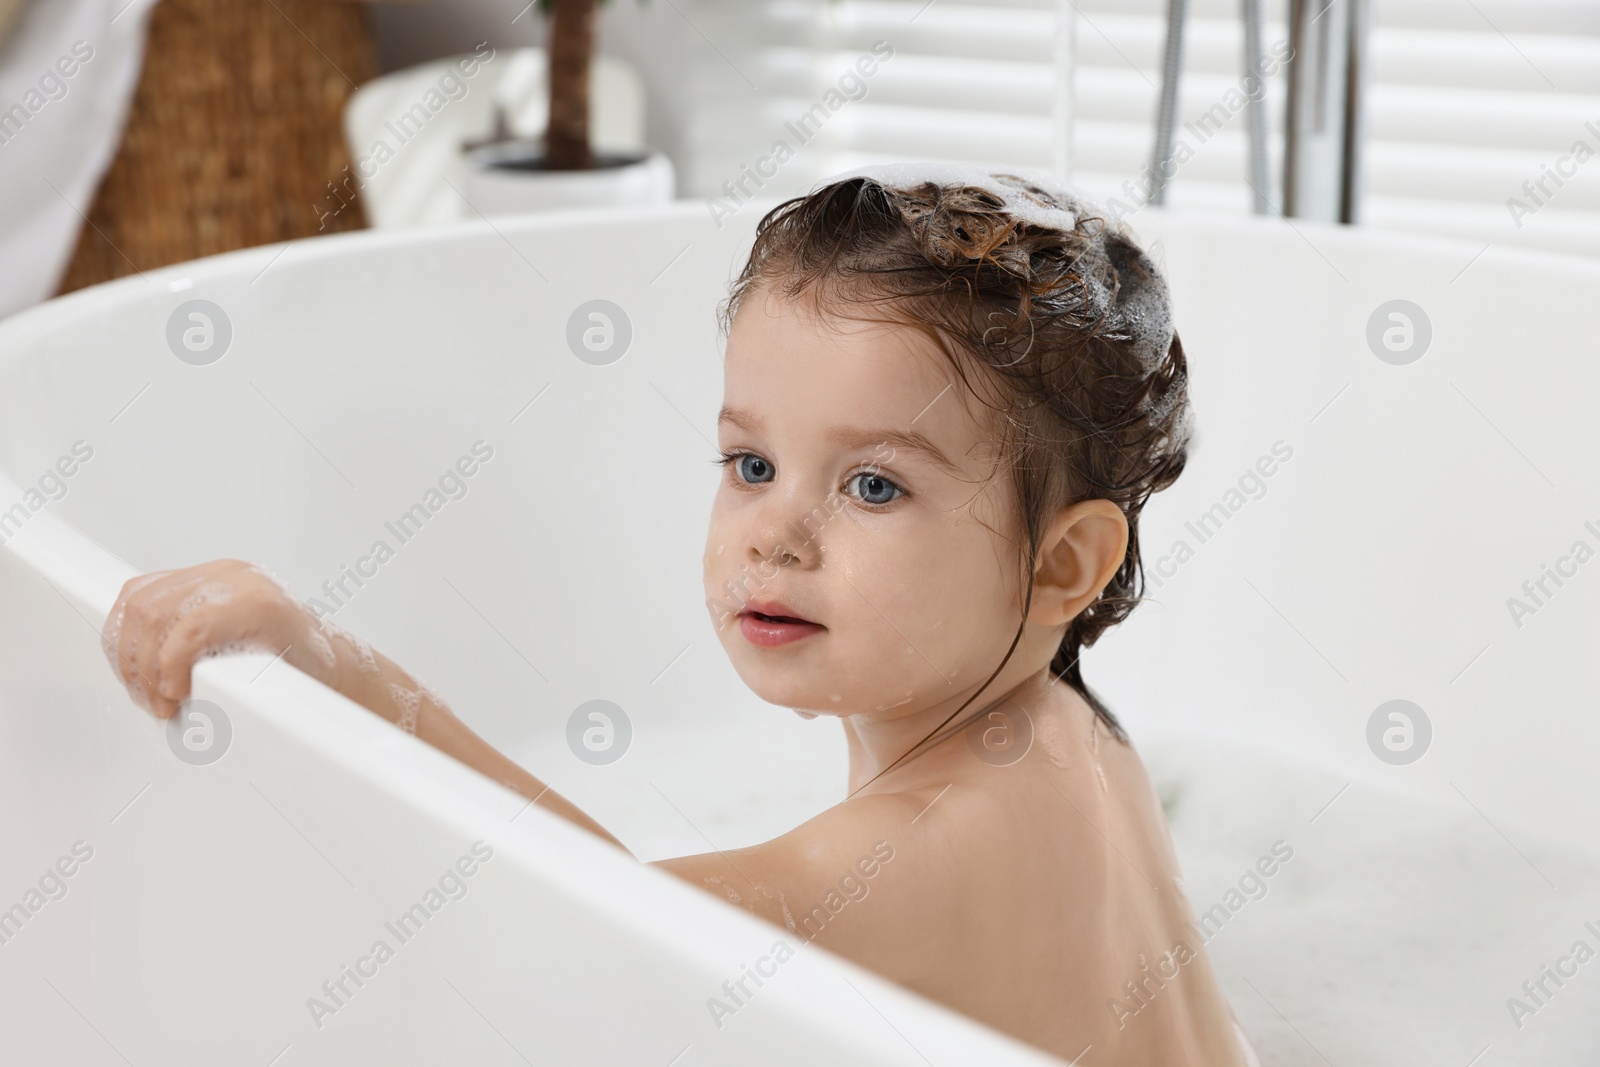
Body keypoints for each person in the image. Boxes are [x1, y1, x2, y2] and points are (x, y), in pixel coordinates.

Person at [100, 164, 1259, 1064]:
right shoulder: (1070, 736)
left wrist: (333, 663)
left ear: (1063, 566)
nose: (776, 533)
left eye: (872, 485)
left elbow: (596, 938)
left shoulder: (922, 850)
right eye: (749, 463)